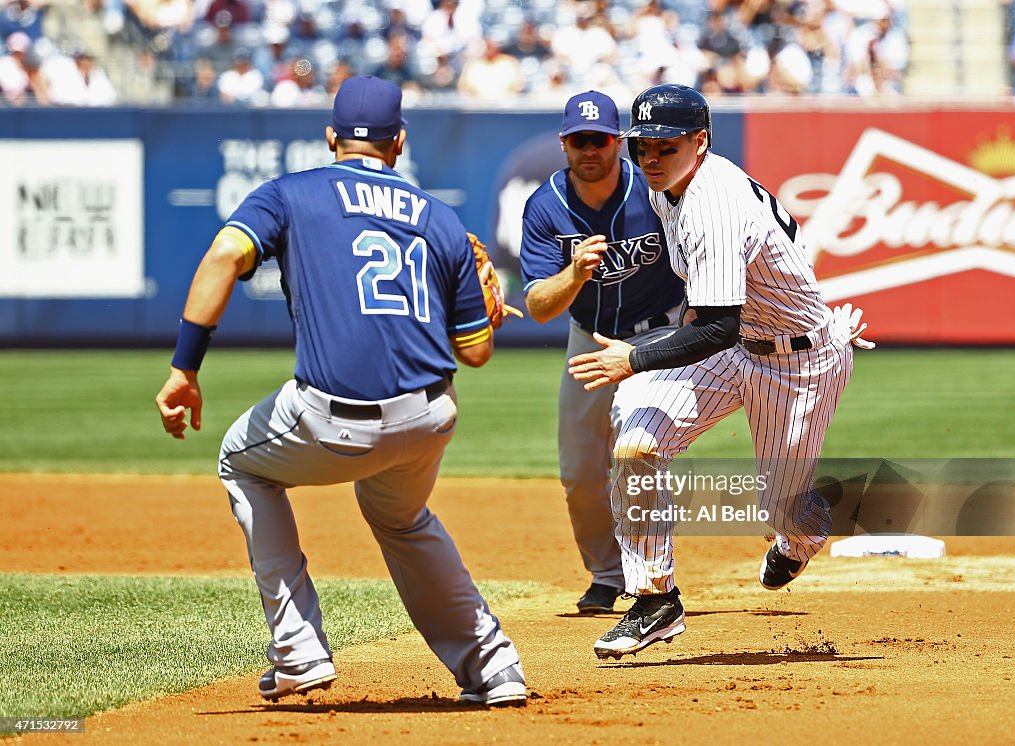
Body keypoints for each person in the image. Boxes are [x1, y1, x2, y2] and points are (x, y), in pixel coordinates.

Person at [154, 75, 527, 707]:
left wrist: (185, 369)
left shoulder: (291, 194)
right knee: (402, 516)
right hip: (429, 418)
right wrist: (479, 308)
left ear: (331, 138)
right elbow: (476, 354)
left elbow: (223, 257)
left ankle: (299, 651)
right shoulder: (438, 218)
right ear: (399, 143)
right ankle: (494, 667)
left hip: (332, 418)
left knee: (240, 462)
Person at [567, 84, 873, 659]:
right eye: (642, 148)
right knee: (635, 443)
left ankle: (802, 535)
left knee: (787, 510)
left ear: (700, 141)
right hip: (742, 346)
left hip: (797, 363)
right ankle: (654, 600)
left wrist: (632, 357)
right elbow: (718, 310)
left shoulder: (713, 200)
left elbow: (716, 328)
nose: (651, 159)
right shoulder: (671, 188)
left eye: (666, 146)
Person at [519, 90, 686, 615]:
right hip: (588, 337)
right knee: (578, 470)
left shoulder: (654, 190)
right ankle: (606, 575)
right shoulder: (546, 206)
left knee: (635, 453)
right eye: (579, 140)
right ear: (564, 144)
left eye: (602, 139)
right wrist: (574, 272)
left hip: (658, 335)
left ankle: (651, 579)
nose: (590, 149)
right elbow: (540, 306)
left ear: (620, 142)